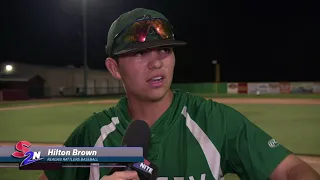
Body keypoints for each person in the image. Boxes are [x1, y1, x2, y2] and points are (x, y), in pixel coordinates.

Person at [39, 8, 320, 180]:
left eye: (165, 50)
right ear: (114, 68)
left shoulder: (215, 121)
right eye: (139, 53)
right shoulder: (91, 135)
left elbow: (291, 170)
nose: (157, 62)